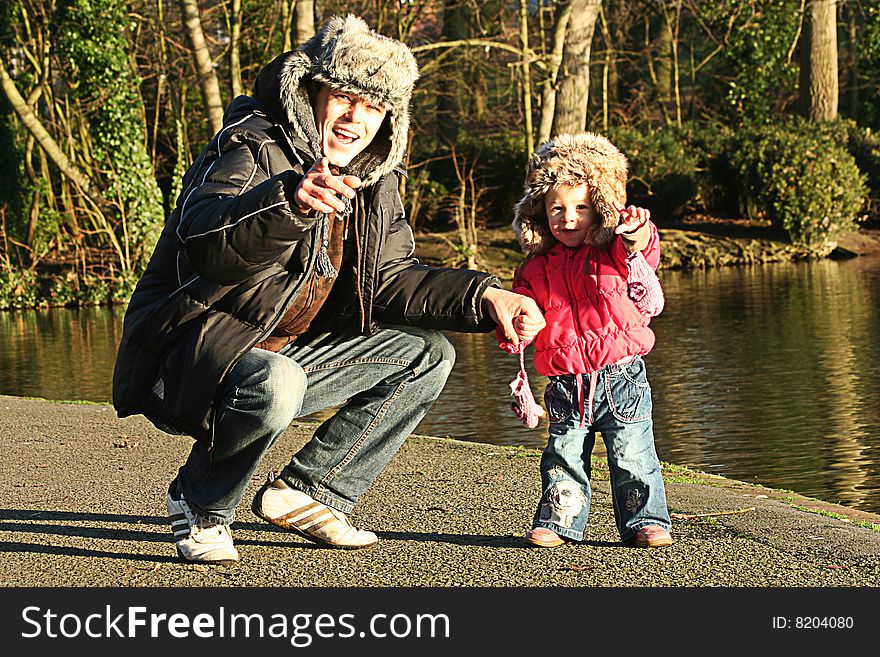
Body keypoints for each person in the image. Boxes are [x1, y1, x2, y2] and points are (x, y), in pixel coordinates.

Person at [112, 14, 543, 564]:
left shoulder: (375, 177)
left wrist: (485, 296)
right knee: (277, 381)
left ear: (390, 116)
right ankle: (200, 504)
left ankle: (312, 490)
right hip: (187, 355)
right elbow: (205, 238)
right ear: (310, 90)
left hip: (278, 353)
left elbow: (389, 279)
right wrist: (287, 202)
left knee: (426, 353)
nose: (355, 119)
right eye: (343, 97)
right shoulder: (252, 144)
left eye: (373, 106)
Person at [498, 132, 673, 549]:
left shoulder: (614, 251)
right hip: (565, 381)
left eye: (581, 207)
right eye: (557, 209)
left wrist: (634, 232)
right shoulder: (536, 266)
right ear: (539, 211)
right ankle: (559, 521)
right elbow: (522, 311)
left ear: (600, 208)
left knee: (632, 453)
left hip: (622, 375)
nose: (569, 218)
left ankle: (644, 520)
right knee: (563, 456)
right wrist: (516, 330)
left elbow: (644, 252)